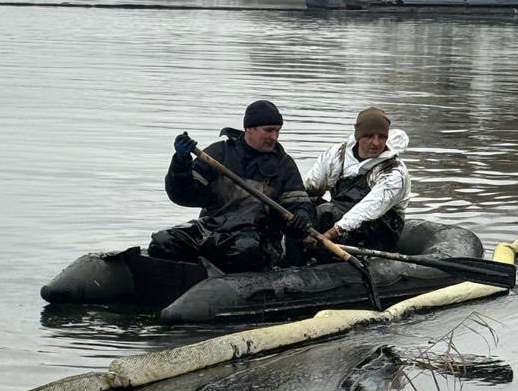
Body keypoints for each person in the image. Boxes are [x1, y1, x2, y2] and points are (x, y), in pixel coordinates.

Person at [147, 99, 314, 273]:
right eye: (269, 130)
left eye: (278, 131)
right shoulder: (218, 154)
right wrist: (181, 164)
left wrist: (301, 218)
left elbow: (299, 205)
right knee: (163, 242)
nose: (274, 137)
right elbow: (184, 196)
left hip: (257, 238)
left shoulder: (284, 165)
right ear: (249, 128)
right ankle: (185, 276)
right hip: (211, 229)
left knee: (245, 251)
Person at [303, 107, 411, 252]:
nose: (376, 143)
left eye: (381, 137)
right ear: (358, 135)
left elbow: (369, 209)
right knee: (304, 206)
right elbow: (311, 186)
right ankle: (292, 260)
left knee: (326, 212)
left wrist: (329, 234)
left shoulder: (394, 171)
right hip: (337, 216)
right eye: (369, 136)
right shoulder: (337, 155)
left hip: (378, 231)